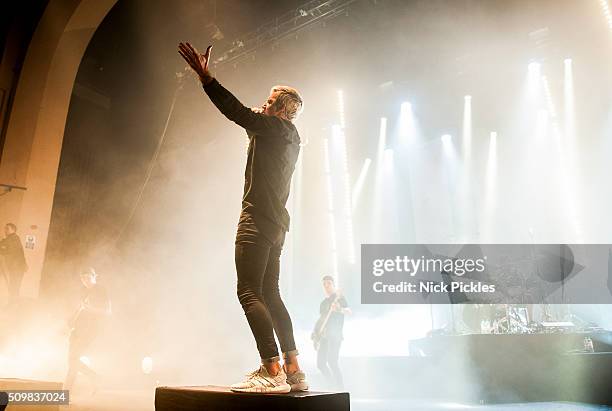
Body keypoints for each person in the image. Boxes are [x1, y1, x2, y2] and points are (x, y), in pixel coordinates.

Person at [178, 42, 307, 394]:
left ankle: (271, 368)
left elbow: (236, 111)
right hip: (277, 224)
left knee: (248, 291)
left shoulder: (273, 128)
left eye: (269, 101)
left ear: (280, 110)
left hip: (257, 221)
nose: (263, 103)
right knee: (270, 292)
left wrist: (207, 79)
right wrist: (255, 120)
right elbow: (251, 123)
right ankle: (294, 369)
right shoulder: (288, 136)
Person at [64, 268, 111, 392]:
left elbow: (107, 311)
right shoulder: (83, 291)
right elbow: (80, 308)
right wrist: (71, 321)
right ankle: (95, 377)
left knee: (73, 359)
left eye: (88, 278)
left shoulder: (101, 290)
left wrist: (91, 309)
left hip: (90, 330)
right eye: (83, 278)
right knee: (71, 361)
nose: (85, 281)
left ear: (95, 276)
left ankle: (66, 392)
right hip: (77, 329)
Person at [312, 275, 350, 389]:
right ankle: (332, 385)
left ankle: (341, 389)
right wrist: (315, 334)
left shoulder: (339, 298)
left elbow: (348, 311)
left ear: (333, 284)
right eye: (324, 284)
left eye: (329, 283)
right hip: (324, 337)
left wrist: (338, 309)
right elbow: (321, 319)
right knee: (320, 364)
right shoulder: (324, 303)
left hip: (335, 336)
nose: (326, 286)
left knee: (332, 361)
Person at [0, 223, 28, 302]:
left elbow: (7, 250)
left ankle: (13, 304)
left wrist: (2, 245)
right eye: (5, 228)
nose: (5, 230)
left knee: (14, 286)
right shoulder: (12, 239)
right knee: (14, 286)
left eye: (7, 229)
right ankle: (12, 303)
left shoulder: (13, 238)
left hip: (16, 267)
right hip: (17, 267)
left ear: (13, 230)